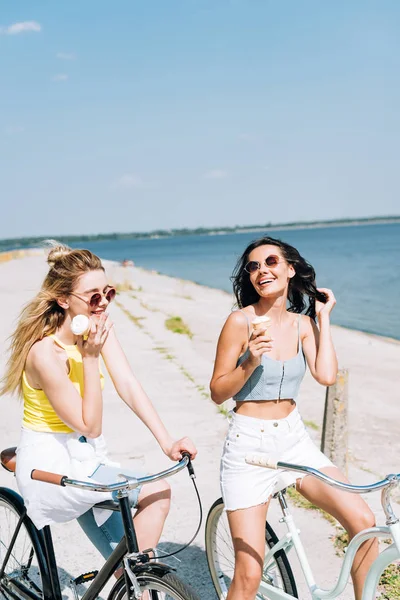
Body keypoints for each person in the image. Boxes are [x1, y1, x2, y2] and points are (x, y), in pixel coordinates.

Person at [0, 242, 196, 564]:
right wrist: (90, 359)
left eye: (108, 293)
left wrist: (167, 441)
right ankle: (132, 581)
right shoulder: (44, 354)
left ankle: (132, 580)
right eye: (93, 297)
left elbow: (128, 384)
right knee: (151, 502)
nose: (103, 303)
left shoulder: (97, 329)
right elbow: (90, 426)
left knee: (156, 502)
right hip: (52, 466)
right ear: (63, 300)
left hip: (86, 459)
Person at [210, 236, 377, 600]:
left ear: (290, 269)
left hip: (293, 440)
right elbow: (218, 391)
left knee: (364, 523)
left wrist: (323, 318)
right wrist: (250, 360)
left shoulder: (303, 325)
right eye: (253, 267)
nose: (261, 271)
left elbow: (326, 375)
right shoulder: (239, 322)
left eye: (271, 262)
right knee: (249, 574)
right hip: (249, 447)